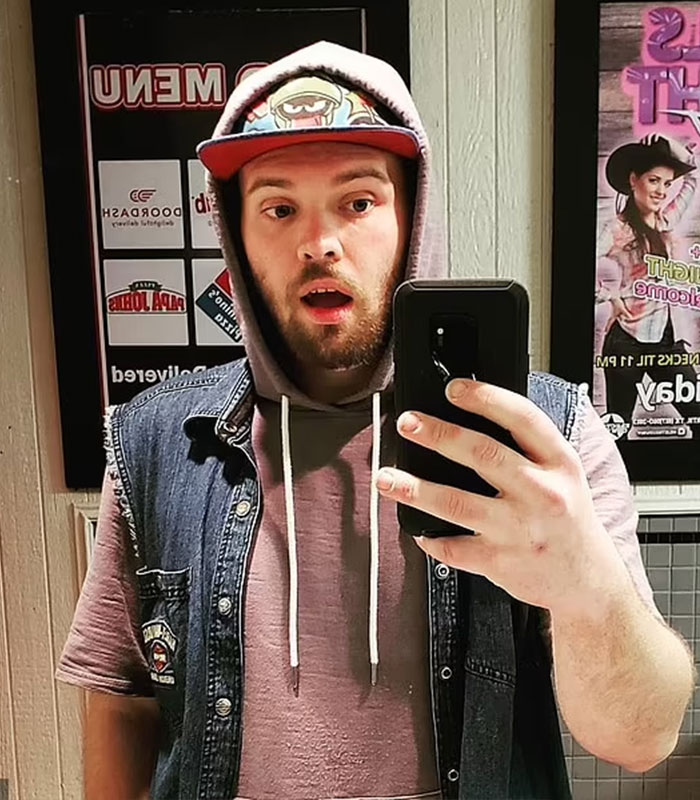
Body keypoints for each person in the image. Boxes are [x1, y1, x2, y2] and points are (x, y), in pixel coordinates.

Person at [57, 42, 694, 800]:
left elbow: (641, 738)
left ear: (411, 220)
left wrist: (586, 583)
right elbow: (124, 703)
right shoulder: (157, 442)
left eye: (358, 203)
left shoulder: (545, 432)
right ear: (237, 234)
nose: (318, 242)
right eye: (279, 207)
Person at [596, 134, 700, 434]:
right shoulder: (618, 229)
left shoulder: (665, 222)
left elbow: (691, 178)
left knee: (696, 414)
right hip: (625, 344)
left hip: (666, 343)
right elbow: (578, 260)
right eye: (654, 181)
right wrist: (611, 297)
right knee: (618, 430)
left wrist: (666, 145)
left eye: (667, 184)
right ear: (633, 180)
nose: (662, 191)